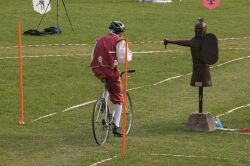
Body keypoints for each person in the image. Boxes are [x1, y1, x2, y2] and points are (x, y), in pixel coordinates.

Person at [90, 21, 131, 137]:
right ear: (120, 33)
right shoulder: (119, 41)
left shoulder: (99, 40)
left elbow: (92, 56)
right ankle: (116, 127)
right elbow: (123, 58)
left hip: (96, 68)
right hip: (109, 70)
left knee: (107, 85)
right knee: (119, 99)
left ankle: (103, 102)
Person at [164, 17, 212, 87]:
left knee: (200, 82)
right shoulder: (203, 41)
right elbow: (182, 42)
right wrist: (169, 41)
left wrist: (169, 41)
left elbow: (182, 42)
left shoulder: (194, 41)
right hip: (201, 70)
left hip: (200, 69)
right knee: (201, 82)